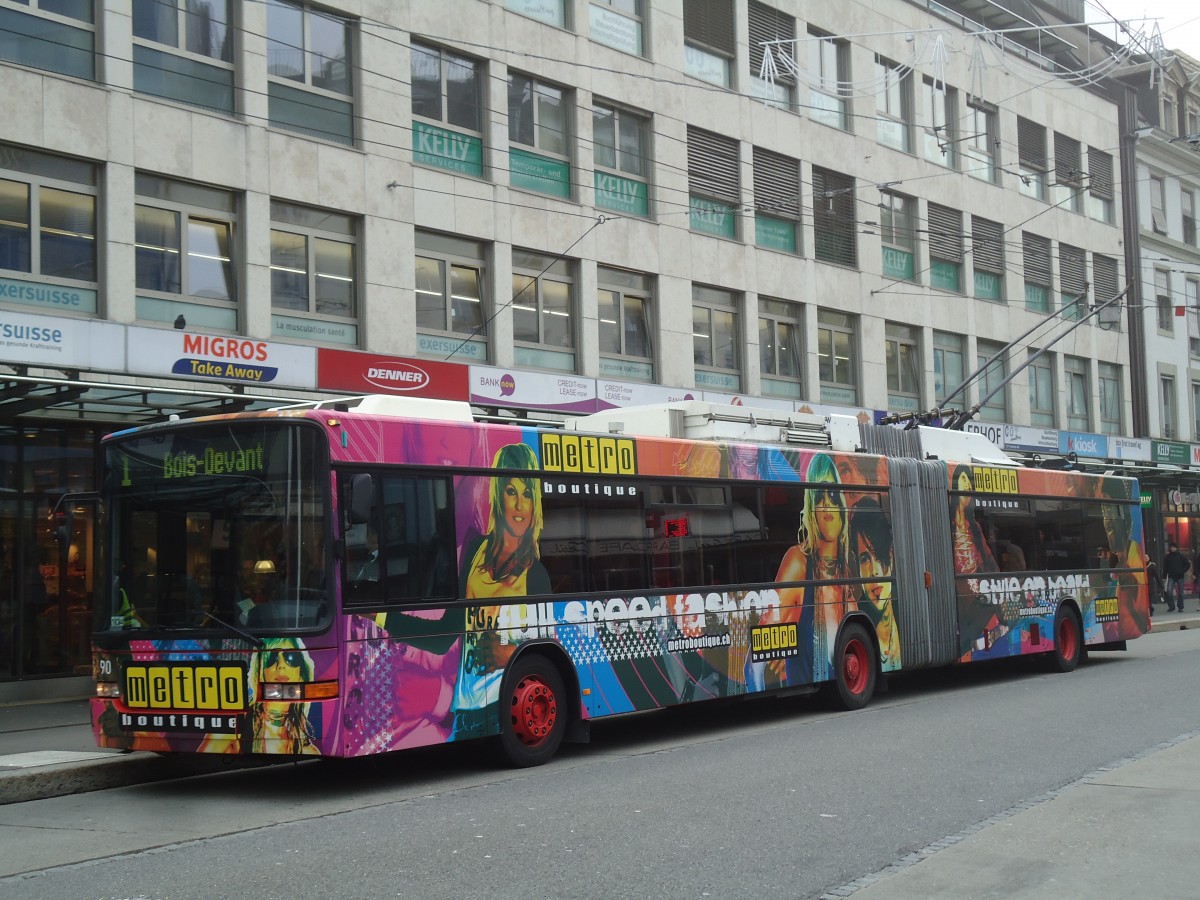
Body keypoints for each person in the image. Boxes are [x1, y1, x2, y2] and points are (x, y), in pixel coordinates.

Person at [454, 442, 549, 738]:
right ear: (498, 495)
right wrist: (379, 617)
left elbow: (552, 646)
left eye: (527, 494)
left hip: (505, 707)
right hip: (463, 713)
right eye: (511, 492)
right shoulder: (473, 551)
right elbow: (449, 629)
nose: (520, 506)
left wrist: (505, 654)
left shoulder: (536, 575)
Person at [751, 453, 854, 688]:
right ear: (810, 508)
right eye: (819, 496)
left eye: (833, 495)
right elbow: (754, 661)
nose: (827, 503)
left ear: (842, 506)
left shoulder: (845, 573)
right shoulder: (798, 562)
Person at [849, 496, 900, 668]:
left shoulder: (907, 611)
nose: (874, 572)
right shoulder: (854, 616)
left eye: (878, 556)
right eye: (864, 560)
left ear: (891, 556)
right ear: (856, 564)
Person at [1163, 542, 1190, 612]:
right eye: (1171, 547)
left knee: (1181, 592)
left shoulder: (1181, 556)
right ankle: (1171, 606)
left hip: (1180, 576)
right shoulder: (1167, 557)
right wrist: (1164, 577)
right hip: (1171, 576)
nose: (1172, 548)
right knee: (1169, 591)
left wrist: (1182, 571)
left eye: (1173, 547)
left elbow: (1188, 564)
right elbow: (1165, 567)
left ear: (1176, 548)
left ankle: (1180, 607)